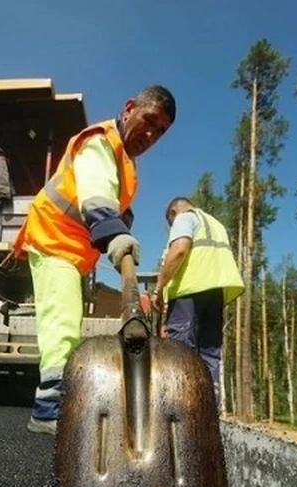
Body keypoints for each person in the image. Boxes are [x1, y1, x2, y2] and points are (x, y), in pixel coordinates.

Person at [12, 85, 177, 435]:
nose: (151, 135)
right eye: (149, 121)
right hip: (52, 236)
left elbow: (115, 204)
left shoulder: (126, 165)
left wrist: (123, 228)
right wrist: (113, 232)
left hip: (75, 251)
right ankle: (48, 410)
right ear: (129, 107)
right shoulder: (100, 142)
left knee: (68, 320)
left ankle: (63, 403)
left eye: (161, 132)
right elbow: (95, 191)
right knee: (63, 321)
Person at [153, 197, 244, 408]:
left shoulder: (185, 217)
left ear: (174, 212)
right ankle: (208, 410)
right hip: (216, 293)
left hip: (189, 290)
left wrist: (158, 288)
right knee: (209, 354)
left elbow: (180, 249)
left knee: (180, 350)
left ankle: (179, 408)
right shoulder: (216, 224)